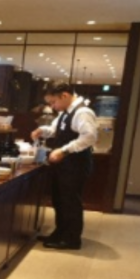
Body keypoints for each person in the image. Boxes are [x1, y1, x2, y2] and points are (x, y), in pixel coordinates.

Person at [31, 80, 98, 251]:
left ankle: (71, 239)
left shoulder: (82, 112)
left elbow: (89, 137)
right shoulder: (65, 112)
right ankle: (60, 233)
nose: (52, 106)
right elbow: (56, 130)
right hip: (64, 165)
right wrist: (43, 130)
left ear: (65, 95)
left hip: (76, 164)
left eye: (53, 102)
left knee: (70, 202)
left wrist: (64, 150)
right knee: (59, 200)